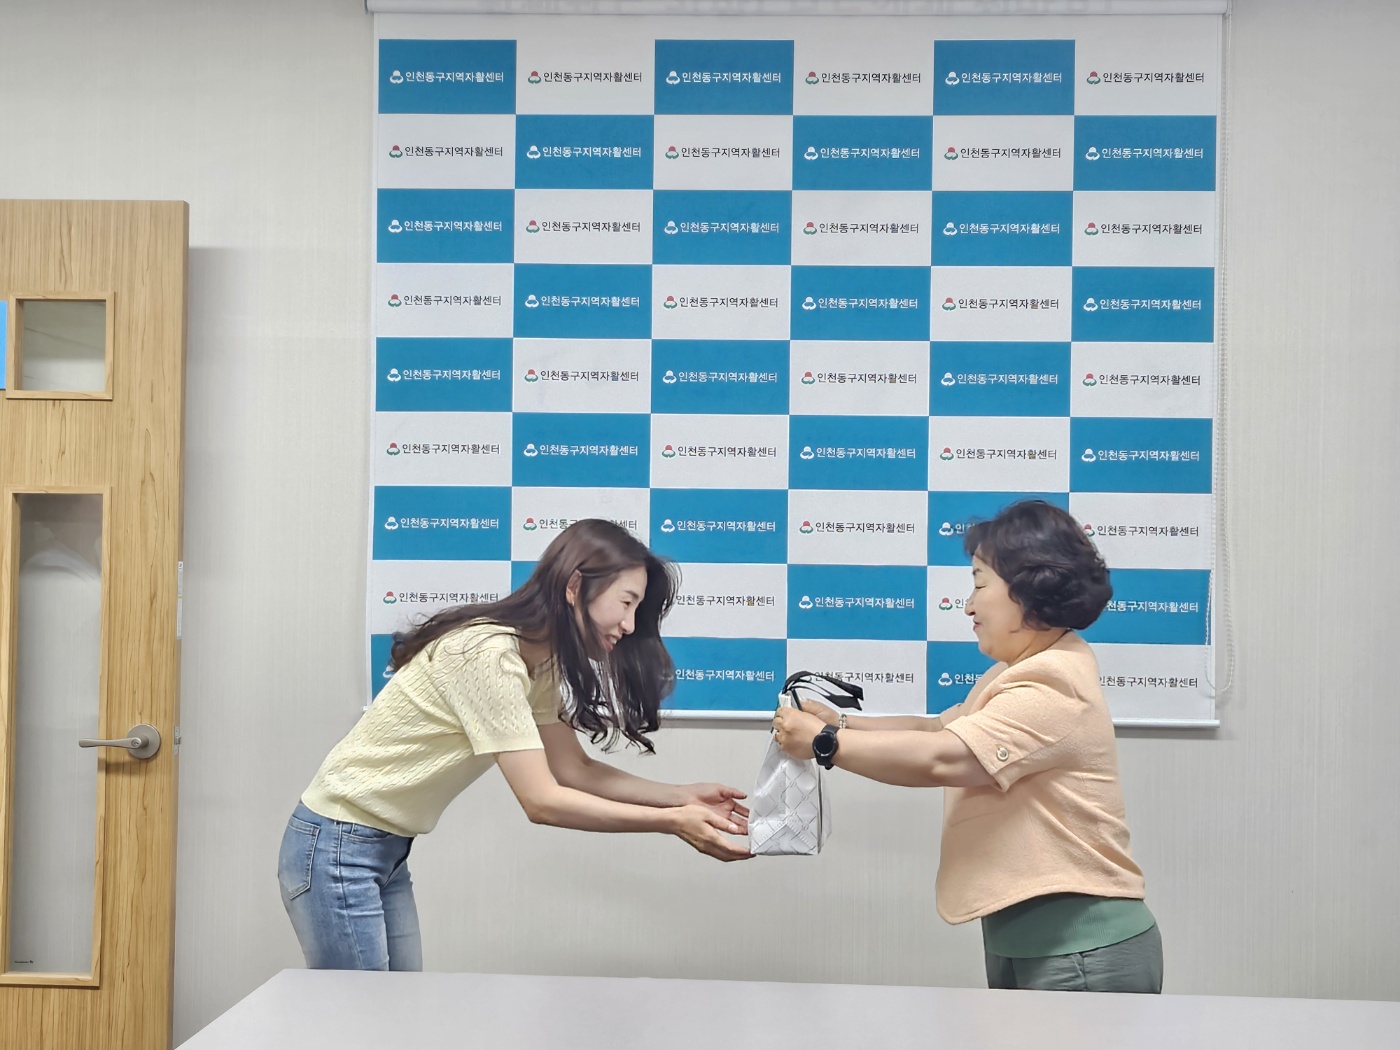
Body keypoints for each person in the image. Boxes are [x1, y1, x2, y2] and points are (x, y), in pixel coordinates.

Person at [278, 519, 750, 971]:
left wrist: (681, 796)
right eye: (626, 602)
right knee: (361, 1014)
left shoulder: (538, 660)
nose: (629, 625)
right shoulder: (487, 655)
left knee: (393, 1008)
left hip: (383, 849)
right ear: (575, 586)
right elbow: (541, 801)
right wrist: (672, 822)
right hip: (337, 846)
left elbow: (575, 770)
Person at [773, 499, 1162, 993]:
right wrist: (843, 722)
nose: (969, 606)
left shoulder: (1053, 683)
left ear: (1029, 590)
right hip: (1029, 940)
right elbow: (937, 731)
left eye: (979, 584)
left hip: (1080, 948)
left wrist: (825, 744)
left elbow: (945, 758)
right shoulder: (1016, 673)